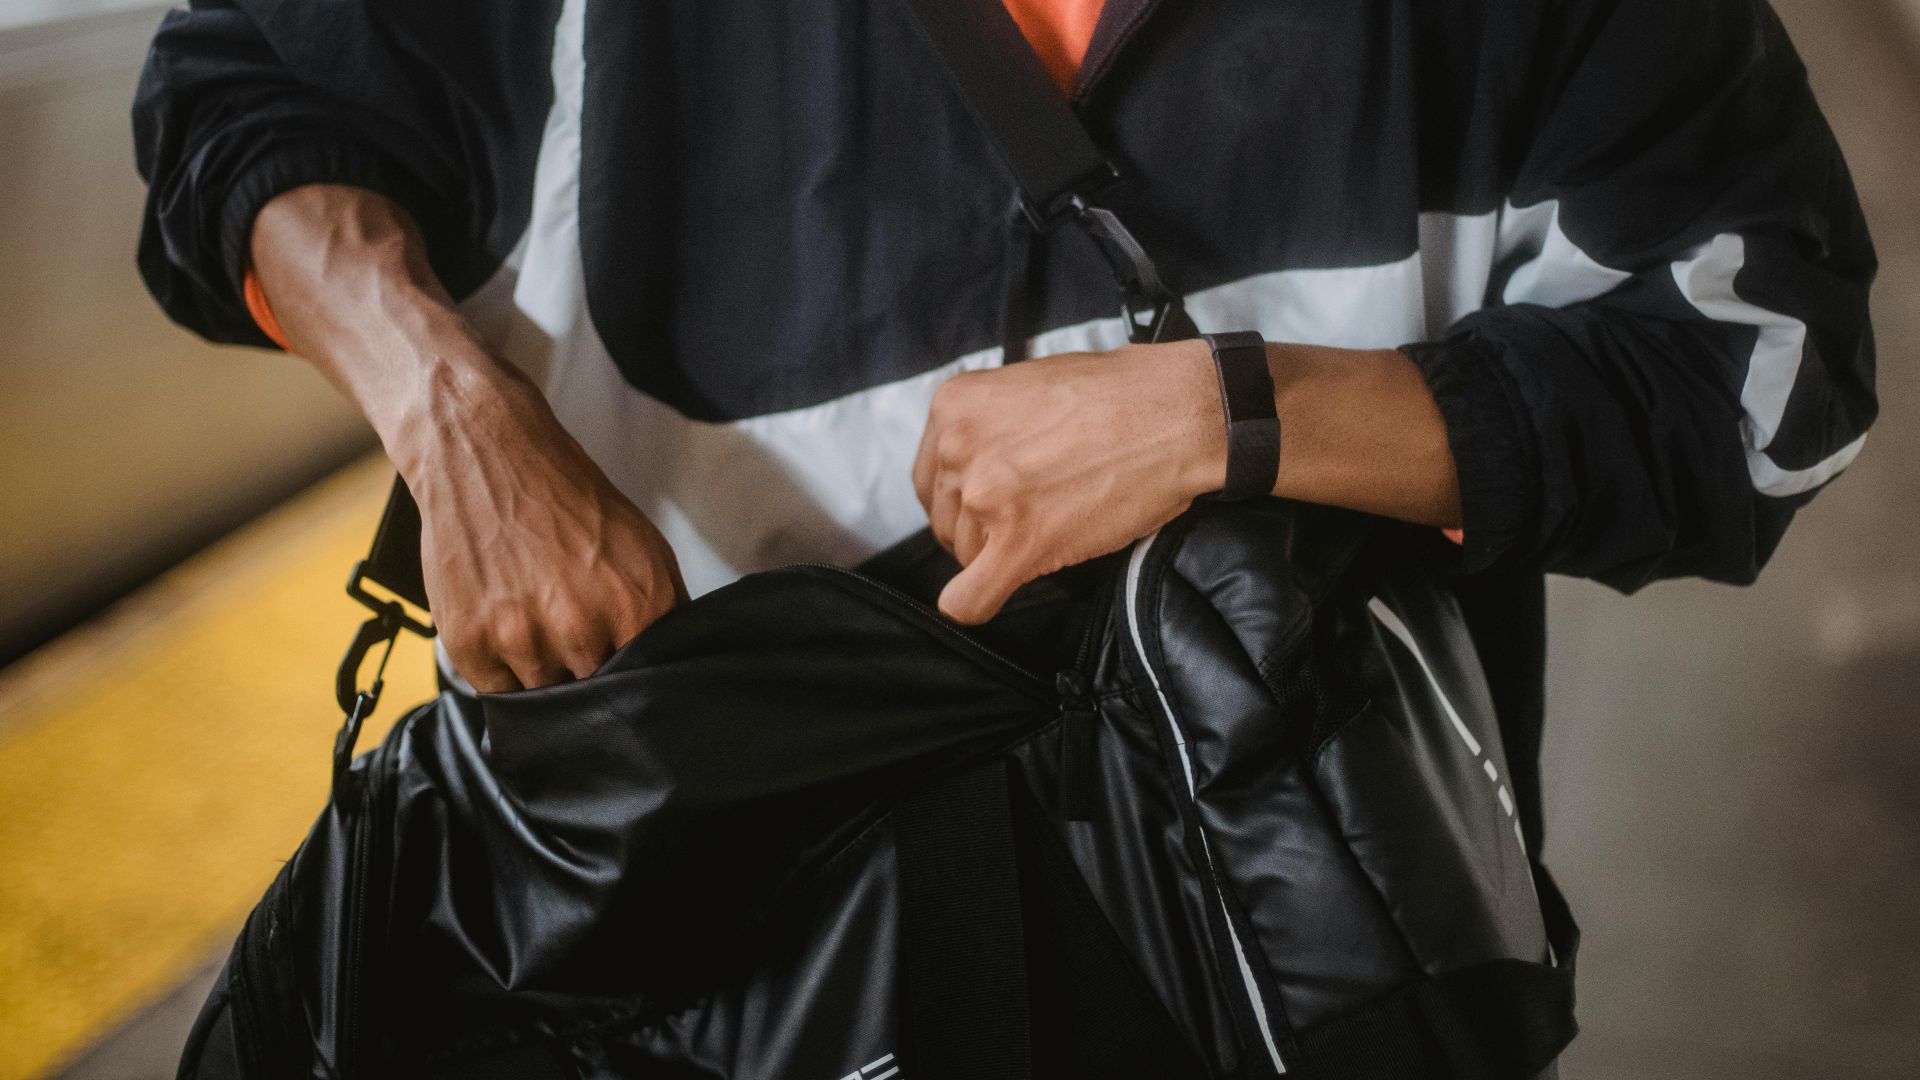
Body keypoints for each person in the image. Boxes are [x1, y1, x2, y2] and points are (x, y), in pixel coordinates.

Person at [134, 0, 1874, 862]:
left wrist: (1238, 413)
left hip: (1290, 956)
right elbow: (240, 103)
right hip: (697, 944)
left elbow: (1765, 365)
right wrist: (450, 411)